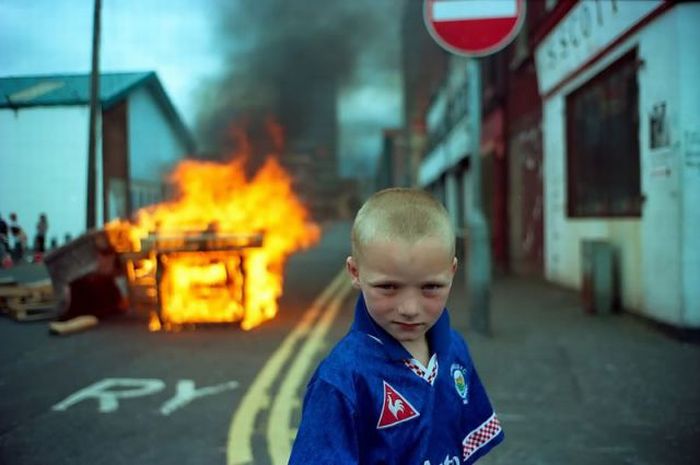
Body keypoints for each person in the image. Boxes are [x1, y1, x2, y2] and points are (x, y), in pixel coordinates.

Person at [288, 188, 503, 465]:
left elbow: (465, 444)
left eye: (431, 287)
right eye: (388, 287)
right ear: (355, 273)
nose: (410, 309)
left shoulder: (454, 348)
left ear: (452, 272)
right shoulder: (341, 380)